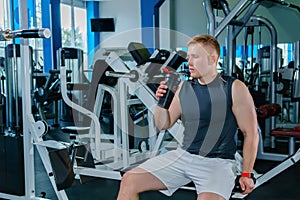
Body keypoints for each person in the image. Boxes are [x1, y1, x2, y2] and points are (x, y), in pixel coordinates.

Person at [117, 34, 259, 200]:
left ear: (212, 59)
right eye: (189, 57)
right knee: (129, 180)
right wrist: (162, 101)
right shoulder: (184, 88)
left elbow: (251, 133)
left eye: (195, 57)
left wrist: (246, 173)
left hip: (217, 163)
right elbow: (164, 124)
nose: (189, 63)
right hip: (183, 156)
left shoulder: (234, 88)